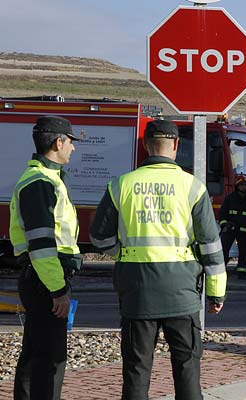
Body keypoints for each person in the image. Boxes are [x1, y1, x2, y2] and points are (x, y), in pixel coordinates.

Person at [89, 120, 227, 400]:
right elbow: (211, 246)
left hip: (137, 292)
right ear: (176, 145)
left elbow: (99, 238)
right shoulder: (192, 187)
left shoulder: (121, 185)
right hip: (182, 293)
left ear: (145, 145)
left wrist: (125, 254)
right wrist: (216, 292)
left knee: (136, 372)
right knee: (187, 370)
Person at [12, 116, 82, 400]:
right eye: (71, 142)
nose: (73, 149)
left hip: (39, 279)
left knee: (34, 355)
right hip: (45, 281)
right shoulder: (41, 182)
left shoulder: (44, 179)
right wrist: (58, 290)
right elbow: (41, 245)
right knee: (50, 360)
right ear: (58, 142)